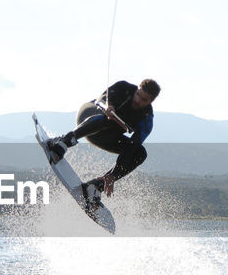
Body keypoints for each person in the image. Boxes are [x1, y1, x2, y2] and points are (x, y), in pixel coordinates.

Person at [47, 78, 160, 208]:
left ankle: (95, 186)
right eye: (138, 95)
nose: (138, 100)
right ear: (137, 89)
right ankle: (64, 142)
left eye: (144, 100)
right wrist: (109, 106)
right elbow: (102, 98)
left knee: (140, 153)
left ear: (151, 102)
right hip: (89, 116)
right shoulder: (124, 87)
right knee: (108, 118)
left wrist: (114, 174)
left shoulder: (147, 119)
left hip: (104, 136)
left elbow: (131, 147)